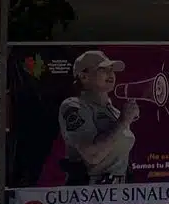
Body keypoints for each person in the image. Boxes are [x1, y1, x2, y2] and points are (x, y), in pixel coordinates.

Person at [58, 50, 138, 184]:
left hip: (119, 195)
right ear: (84, 76)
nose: (110, 73)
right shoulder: (74, 106)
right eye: (103, 69)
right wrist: (123, 122)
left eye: (111, 69)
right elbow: (92, 156)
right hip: (87, 195)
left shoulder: (116, 112)